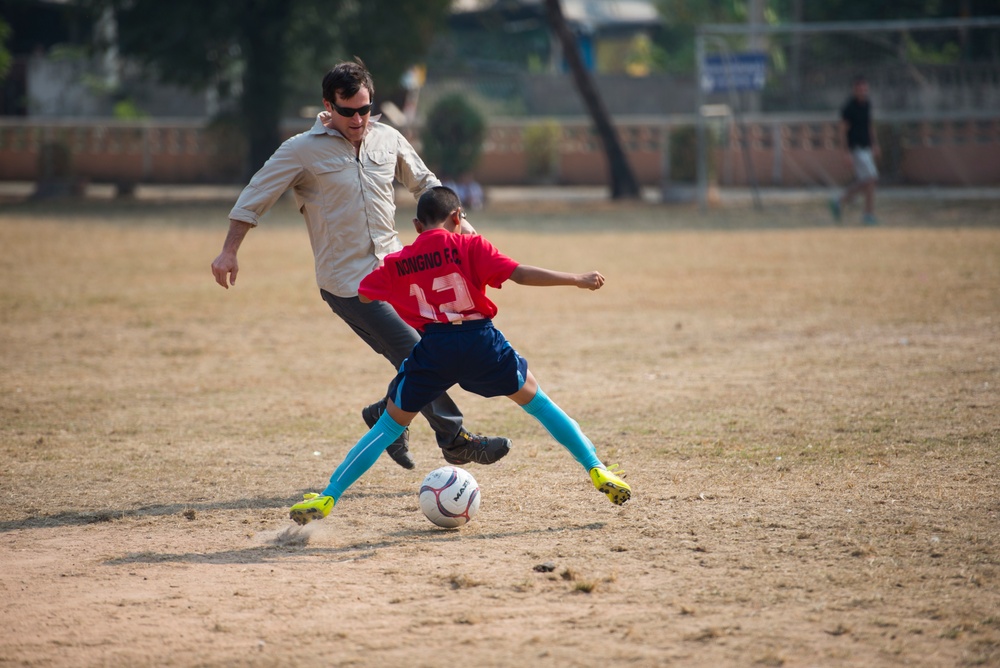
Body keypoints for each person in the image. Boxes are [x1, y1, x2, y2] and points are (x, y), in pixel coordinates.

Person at [210, 59, 510, 471]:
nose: (357, 119)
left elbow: (426, 184)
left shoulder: (388, 139)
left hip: (400, 274)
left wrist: (465, 232)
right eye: (347, 111)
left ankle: (381, 414)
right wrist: (230, 250)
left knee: (432, 352)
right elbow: (255, 195)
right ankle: (454, 439)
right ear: (327, 106)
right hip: (350, 284)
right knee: (419, 351)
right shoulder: (301, 150)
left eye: (364, 109)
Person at [288, 186, 631, 525]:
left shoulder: (399, 261)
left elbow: (364, 295)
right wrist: (577, 279)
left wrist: (404, 283)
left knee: (388, 426)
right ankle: (597, 469)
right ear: (457, 218)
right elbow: (520, 274)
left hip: (434, 347)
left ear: (417, 226)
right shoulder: (470, 245)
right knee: (539, 403)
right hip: (481, 342)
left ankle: (329, 495)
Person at [830, 75, 880, 225]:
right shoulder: (849, 108)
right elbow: (843, 131)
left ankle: (840, 201)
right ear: (854, 90)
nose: (862, 92)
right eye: (860, 89)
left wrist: (875, 144)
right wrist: (845, 152)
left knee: (867, 181)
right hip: (856, 149)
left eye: (865, 89)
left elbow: (870, 125)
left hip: (866, 148)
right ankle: (867, 214)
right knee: (870, 179)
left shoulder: (867, 104)